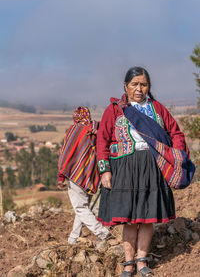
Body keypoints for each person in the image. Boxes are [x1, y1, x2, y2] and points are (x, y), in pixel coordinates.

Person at [96, 67, 195, 277]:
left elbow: (175, 132)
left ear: (148, 87)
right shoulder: (114, 110)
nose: (139, 89)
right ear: (125, 86)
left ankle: (142, 262)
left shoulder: (157, 108)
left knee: (147, 217)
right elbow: (102, 140)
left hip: (152, 167)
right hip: (124, 168)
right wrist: (105, 170)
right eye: (134, 84)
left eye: (143, 84)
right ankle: (128, 264)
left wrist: (176, 155)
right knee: (130, 218)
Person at [57, 106, 109, 244]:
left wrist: (61, 176)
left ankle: (103, 233)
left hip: (76, 175)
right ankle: (73, 239)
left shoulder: (74, 130)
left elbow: (65, 153)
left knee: (80, 208)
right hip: (91, 175)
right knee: (83, 206)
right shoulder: (96, 128)